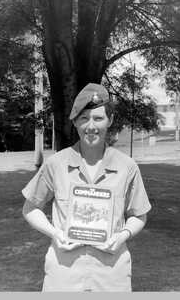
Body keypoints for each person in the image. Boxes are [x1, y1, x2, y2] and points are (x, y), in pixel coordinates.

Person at [22, 83, 151, 291]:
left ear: (110, 120)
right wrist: (55, 233)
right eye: (83, 118)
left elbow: (139, 215)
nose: (91, 126)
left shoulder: (127, 167)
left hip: (112, 277)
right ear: (74, 122)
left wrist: (123, 235)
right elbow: (30, 208)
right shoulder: (56, 164)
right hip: (63, 276)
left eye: (98, 118)